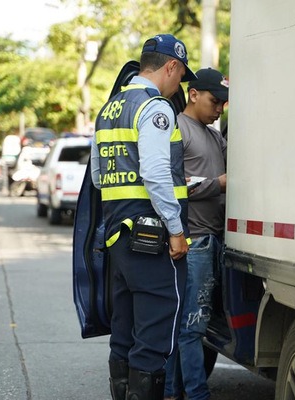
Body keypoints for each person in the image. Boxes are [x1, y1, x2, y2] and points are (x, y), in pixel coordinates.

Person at [90, 33, 197, 400]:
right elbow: (154, 173)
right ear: (171, 66)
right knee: (153, 340)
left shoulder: (110, 108)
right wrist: (176, 229)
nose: (179, 84)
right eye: (181, 75)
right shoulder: (154, 108)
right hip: (151, 241)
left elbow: (97, 176)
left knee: (124, 335)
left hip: (118, 239)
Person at [164, 68, 229, 400]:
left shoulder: (214, 135)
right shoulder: (178, 128)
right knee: (191, 328)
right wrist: (216, 184)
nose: (219, 109)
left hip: (213, 242)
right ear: (193, 94)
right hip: (195, 243)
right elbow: (171, 185)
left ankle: (173, 392)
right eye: (214, 101)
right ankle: (196, 394)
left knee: (192, 328)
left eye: (223, 104)